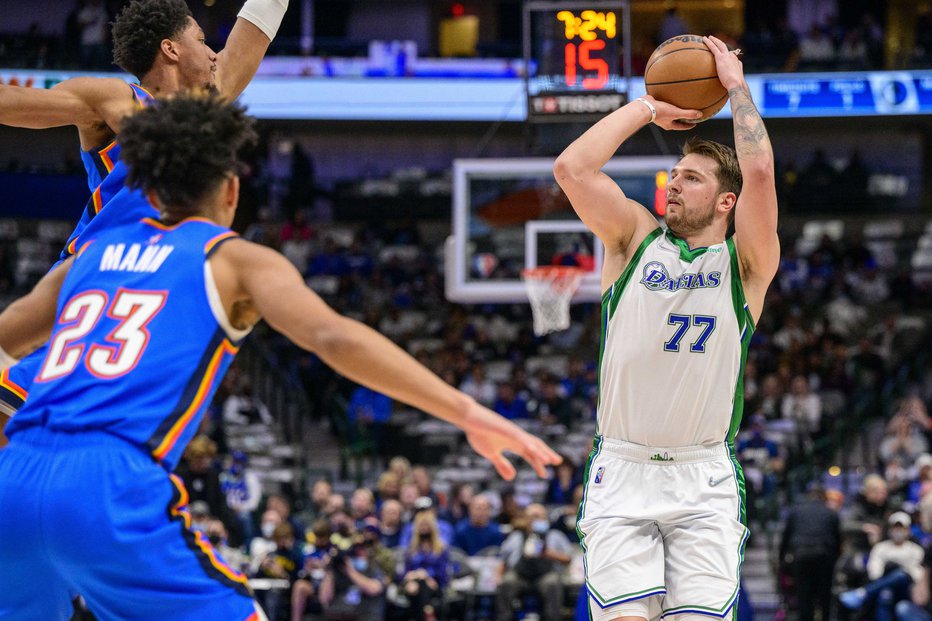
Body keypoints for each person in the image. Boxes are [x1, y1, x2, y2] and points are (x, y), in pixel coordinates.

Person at [0, 92, 560, 620]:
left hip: (15, 472)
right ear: (230, 192)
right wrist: (465, 412)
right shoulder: (232, 258)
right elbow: (334, 338)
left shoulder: (90, 256)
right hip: (109, 479)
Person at [554, 35, 779, 621]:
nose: (673, 183)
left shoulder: (745, 266)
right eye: (673, 173)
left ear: (726, 202)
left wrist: (735, 88)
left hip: (703, 477)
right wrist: (648, 107)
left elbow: (757, 167)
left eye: (693, 178)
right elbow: (572, 169)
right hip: (623, 470)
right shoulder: (633, 239)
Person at [0, 0, 290, 441]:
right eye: (201, 40)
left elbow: (256, 28)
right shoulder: (118, 98)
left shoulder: (204, 111)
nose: (215, 54)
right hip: (89, 280)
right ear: (171, 49)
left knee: (55, 455)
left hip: (143, 294)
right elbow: (17, 102)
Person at [496, 503, 574, 621]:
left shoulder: (555, 536)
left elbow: (569, 559)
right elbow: (502, 559)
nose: (535, 520)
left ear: (545, 518)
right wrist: (497, 576)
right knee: (507, 582)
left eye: (539, 516)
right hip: (520, 575)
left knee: (552, 583)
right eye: (532, 517)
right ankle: (504, 618)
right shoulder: (516, 536)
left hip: (546, 574)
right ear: (526, 519)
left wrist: (550, 554)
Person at [779, 486, 841, 621]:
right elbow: (837, 541)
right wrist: (834, 560)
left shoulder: (795, 512)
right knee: (825, 595)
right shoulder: (831, 513)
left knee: (804, 595)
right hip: (824, 557)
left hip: (801, 556)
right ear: (824, 498)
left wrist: (781, 560)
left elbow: (785, 538)